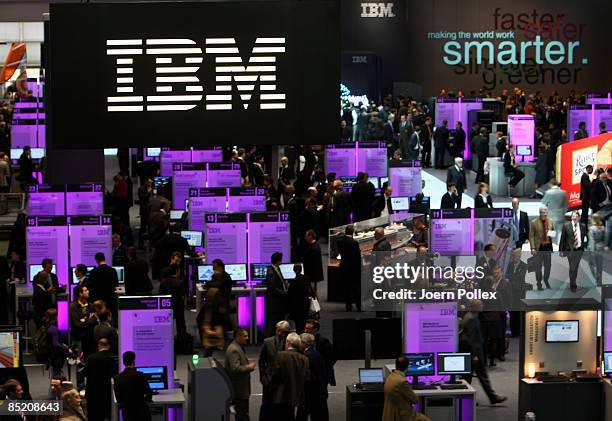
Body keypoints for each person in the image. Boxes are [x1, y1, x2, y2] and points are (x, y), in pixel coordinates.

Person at [459, 300, 508, 405]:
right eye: (480, 305)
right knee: (481, 376)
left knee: (468, 376)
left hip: (471, 352)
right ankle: (491, 397)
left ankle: (468, 398)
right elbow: (471, 339)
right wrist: (475, 355)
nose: (482, 306)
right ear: (475, 306)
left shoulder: (469, 316)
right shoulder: (472, 319)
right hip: (474, 353)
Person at [270, 332, 309, 421]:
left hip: (281, 396)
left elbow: (275, 376)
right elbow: (307, 377)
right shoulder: (304, 359)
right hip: (297, 395)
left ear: (288, 343)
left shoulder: (280, 355)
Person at [258, 320, 290, 421]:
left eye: (282, 332)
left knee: (281, 405)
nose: (279, 333)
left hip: (283, 380)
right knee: (266, 405)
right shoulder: (267, 342)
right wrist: (263, 377)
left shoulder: (289, 343)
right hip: (269, 379)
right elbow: (261, 361)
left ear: (286, 332)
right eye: (278, 330)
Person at [382, 357, 429, 421]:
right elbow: (415, 400)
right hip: (401, 415)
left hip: (390, 414)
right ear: (407, 367)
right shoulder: (402, 381)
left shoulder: (390, 377)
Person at [225, 328, 256, 421]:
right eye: (245, 336)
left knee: (242, 413)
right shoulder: (234, 349)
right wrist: (249, 367)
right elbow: (235, 368)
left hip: (240, 388)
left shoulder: (237, 347)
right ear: (238, 336)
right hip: (239, 390)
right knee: (242, 415)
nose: (247, 338)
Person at [296, 333, 328, 421]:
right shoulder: (315, 354)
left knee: (302, 415)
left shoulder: (307, 356)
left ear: (304, 343)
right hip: (317, 392)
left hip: (310, 393)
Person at [84, 338, 118, 421]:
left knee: (93, 417)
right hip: (107, 393)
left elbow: (85, 373)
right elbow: (115, 375)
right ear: (108, 346)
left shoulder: (91, 358)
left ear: (99, 346)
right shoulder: (113, 358)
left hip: (93, 394)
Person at [114, 351, 152, 421]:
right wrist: (146, 400)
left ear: (123, 362)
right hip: (142, 412)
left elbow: (118, 398)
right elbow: (149, 392)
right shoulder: (140, 375)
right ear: (134, 362)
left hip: (127, 413)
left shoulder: (117, 378)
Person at [159, 251, 187, 337]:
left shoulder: (181, 270)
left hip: (178, 298)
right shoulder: (166, 270)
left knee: (180, 319)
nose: (177, 263)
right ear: (171, 259)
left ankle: (181, 336)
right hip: (167, 299)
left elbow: (184, 284)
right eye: (175, 261)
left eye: (179, 261)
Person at [559, 210, 588, 292]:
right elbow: (562, 238)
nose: (574, 217)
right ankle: (573, 284)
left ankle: (573, 282)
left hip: (579, 250)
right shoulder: (566, 225)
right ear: (571, 217)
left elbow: (585, 237)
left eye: (576, 216)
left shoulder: (582, 226)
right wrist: (560, 250)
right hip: (569, 250)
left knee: (576, 267)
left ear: (579, 217)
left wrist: (584, 246)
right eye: (573, 216)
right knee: (572, 267)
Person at [336, 225, 362, 312]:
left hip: (343, 267)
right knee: (356, 288)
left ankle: (348, 306)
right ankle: (359, 306)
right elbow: (357, 257)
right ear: (353, 232)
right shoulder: (355, 243)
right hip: (353, 268)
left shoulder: (339, 241)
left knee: (347, 288)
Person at [529, 207, 555, 290]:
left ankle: (546, 280)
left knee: (548, 266)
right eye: (543, 212)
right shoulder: (534, 222)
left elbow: (554, 233)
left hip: (547, 247)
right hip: (538, 248)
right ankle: (539, 283)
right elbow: (531, 236)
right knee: (538, 267)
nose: (544, 214)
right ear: (540, 213)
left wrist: (551, 234)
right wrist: (533, 248)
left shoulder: (551, 221)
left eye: (545, 212)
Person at [304, 319, 336, 387]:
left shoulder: (323, 341)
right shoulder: (304, 339)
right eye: (305, 328)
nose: (306, 331)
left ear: (316, 329)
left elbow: (332, 357)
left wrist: (323, 367)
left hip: (321, 373)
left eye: (308, 329)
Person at [265, 252, 288, 336]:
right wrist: (285, 293)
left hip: (278, 302)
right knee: (273, 322)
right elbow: (273, 289)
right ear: (279, 261)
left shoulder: (276, 269)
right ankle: (271, 339)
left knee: (278, 321)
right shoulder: (271, 272)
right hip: (274, 302)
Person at [506, 248, 527, 337]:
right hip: (511, 292)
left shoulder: (524, 266)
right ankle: (513, 331)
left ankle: (519, 331)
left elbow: (520, 278)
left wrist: (511, 280)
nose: (513, 257)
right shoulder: (510, 265)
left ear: (519, 256)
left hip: (519, 293)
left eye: (515, 255)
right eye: (513, 255)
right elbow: (507, 275)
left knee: (518, 312)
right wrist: (512, 279)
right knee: (512, 312)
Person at [288, 264, 310, 334]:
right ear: (301, 269)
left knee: (298, 325)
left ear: (294, 270)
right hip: (305, 304)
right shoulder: (307, 278)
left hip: (296, 306)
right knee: (303, 323)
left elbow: (289, 294)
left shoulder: (294, 282)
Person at [588, 213, 606, 286]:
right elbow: (605, 238)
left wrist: (592, 250)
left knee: (591, 264)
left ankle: (596, 276)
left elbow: (592, 240)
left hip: (594, 248)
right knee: (599, 266)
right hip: (600, 248)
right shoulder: (603, 227)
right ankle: (599, 282)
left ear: (593, 219)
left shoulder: (592, 228)